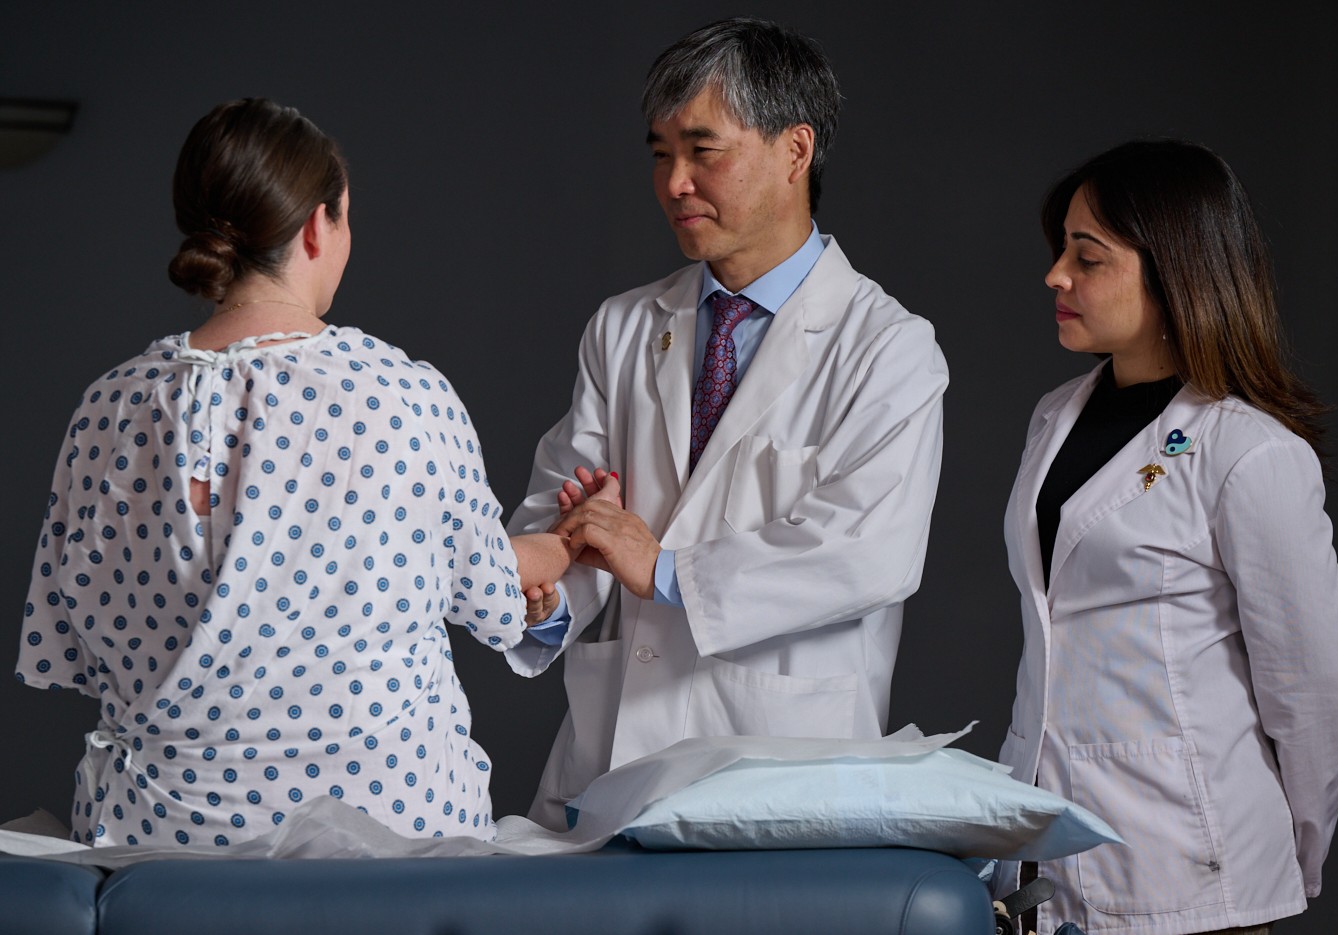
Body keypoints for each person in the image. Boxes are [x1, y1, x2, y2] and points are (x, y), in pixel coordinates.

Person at [17, 98, 576, 848]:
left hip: (155, 840)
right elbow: (490, 594)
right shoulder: (401, 394)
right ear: (318, 225)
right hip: (391, 835)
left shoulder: (108, 406)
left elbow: (78, 643)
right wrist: (565, 544)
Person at [505, 17, 949, 829]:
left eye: (702, 151)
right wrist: (545, 593)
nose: (674, 181)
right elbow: (570, 513)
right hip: (614, 756)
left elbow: (867, 551)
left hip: (778, 764)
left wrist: (665, 568)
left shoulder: (887, 346)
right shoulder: (624, 327)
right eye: (659, 153)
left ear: (795, 150)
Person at [996, 139, 1338, 934]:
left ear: (1174, 270)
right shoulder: (1053, 418)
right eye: (1060, 249)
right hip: (1041, 852)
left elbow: (1319, 692)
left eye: (1086, 256)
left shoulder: (1248, 451)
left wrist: (1275, 858)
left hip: (1192, 871)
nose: (1055, 275)